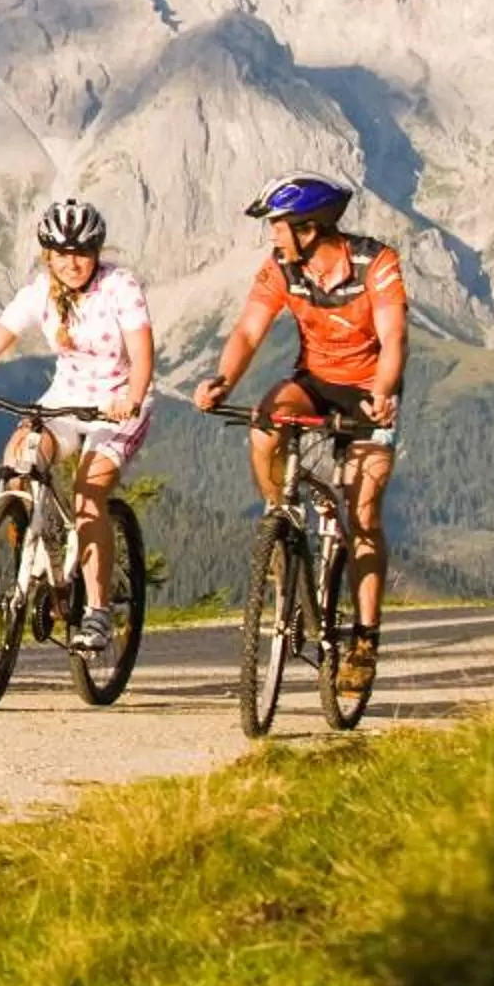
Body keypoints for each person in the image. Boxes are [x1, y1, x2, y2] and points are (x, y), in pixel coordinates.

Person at [192, 172, 408, 695]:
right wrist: (223, 380)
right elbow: (248, 330)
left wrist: (383, 392)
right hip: (313, 380)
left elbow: (394, 335)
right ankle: (280, 518)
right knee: (266, 423)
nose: (272, 235)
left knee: (362, 514)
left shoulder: (376, 264)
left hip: (367, 389)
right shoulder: (281, 269)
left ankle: (364, 640)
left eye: (279, 226)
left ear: (310, 227)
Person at [0, 198, 156, 656]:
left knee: (88, 493)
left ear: (96, 251)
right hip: (65, 401)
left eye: (82, 252)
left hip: (117, 404)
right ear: (47, 255)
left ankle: (96, 612)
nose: (72, 263)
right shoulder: (41, 291)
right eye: (61, 254)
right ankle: (35, 546)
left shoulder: (120, 286)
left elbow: (142, 350)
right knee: (19, 458)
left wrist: (131, 397)